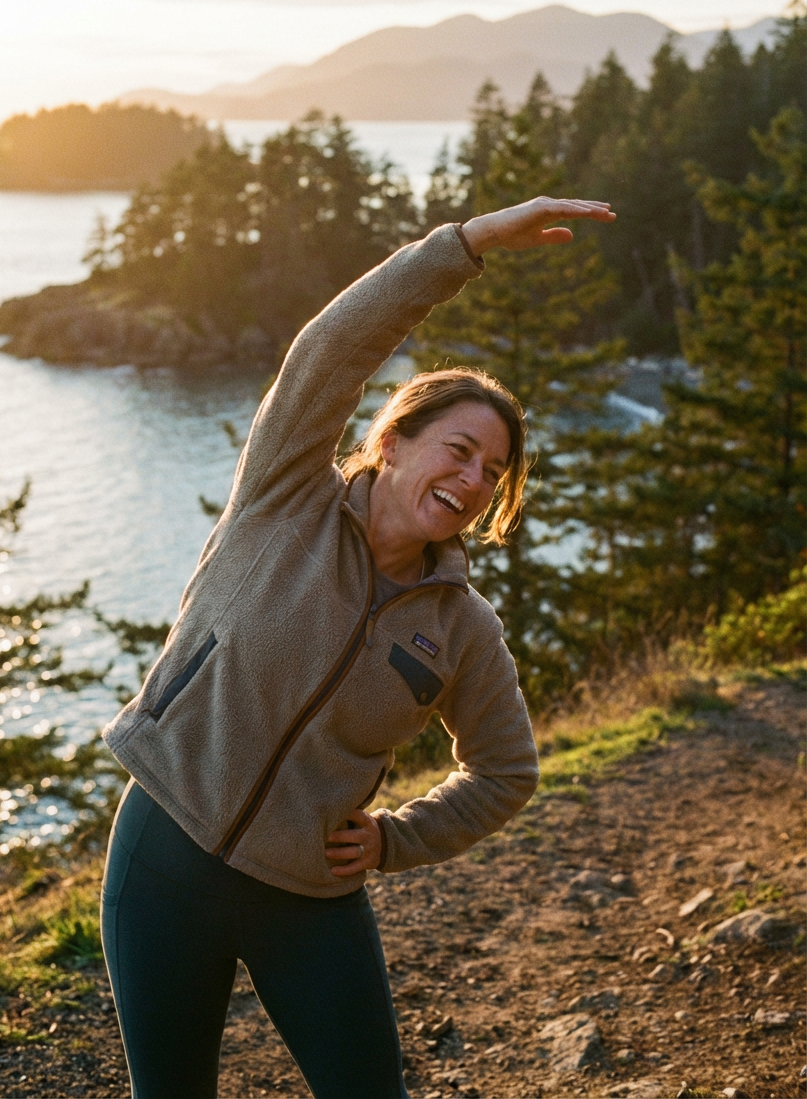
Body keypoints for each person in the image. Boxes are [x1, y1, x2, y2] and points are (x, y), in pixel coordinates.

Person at [100, 195, 616, 1099]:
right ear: (393, 440)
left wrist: (394, 840)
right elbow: (330, 349)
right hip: (165, 852)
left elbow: (506, 771)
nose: (470, 480)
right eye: (458, 451)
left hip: (307, 894)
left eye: (491, 474)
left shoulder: (461, 627)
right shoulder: (284, 496)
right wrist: (463, 248)